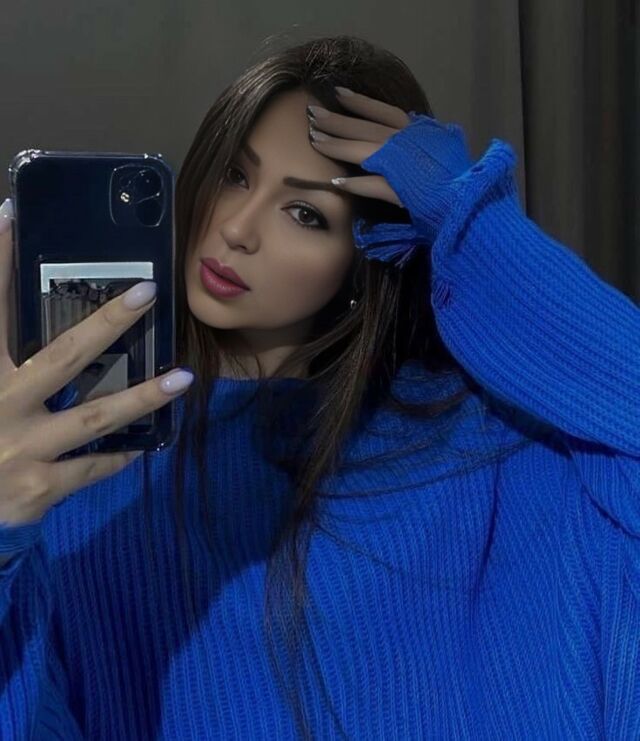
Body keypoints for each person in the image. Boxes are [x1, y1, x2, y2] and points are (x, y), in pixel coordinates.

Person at [1, 33, 639, 740]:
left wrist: (472, 221)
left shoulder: (480, 447)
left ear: (367, 256)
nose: (236, 229)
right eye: (235, 175)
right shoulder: (72, 456)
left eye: (305, 213)